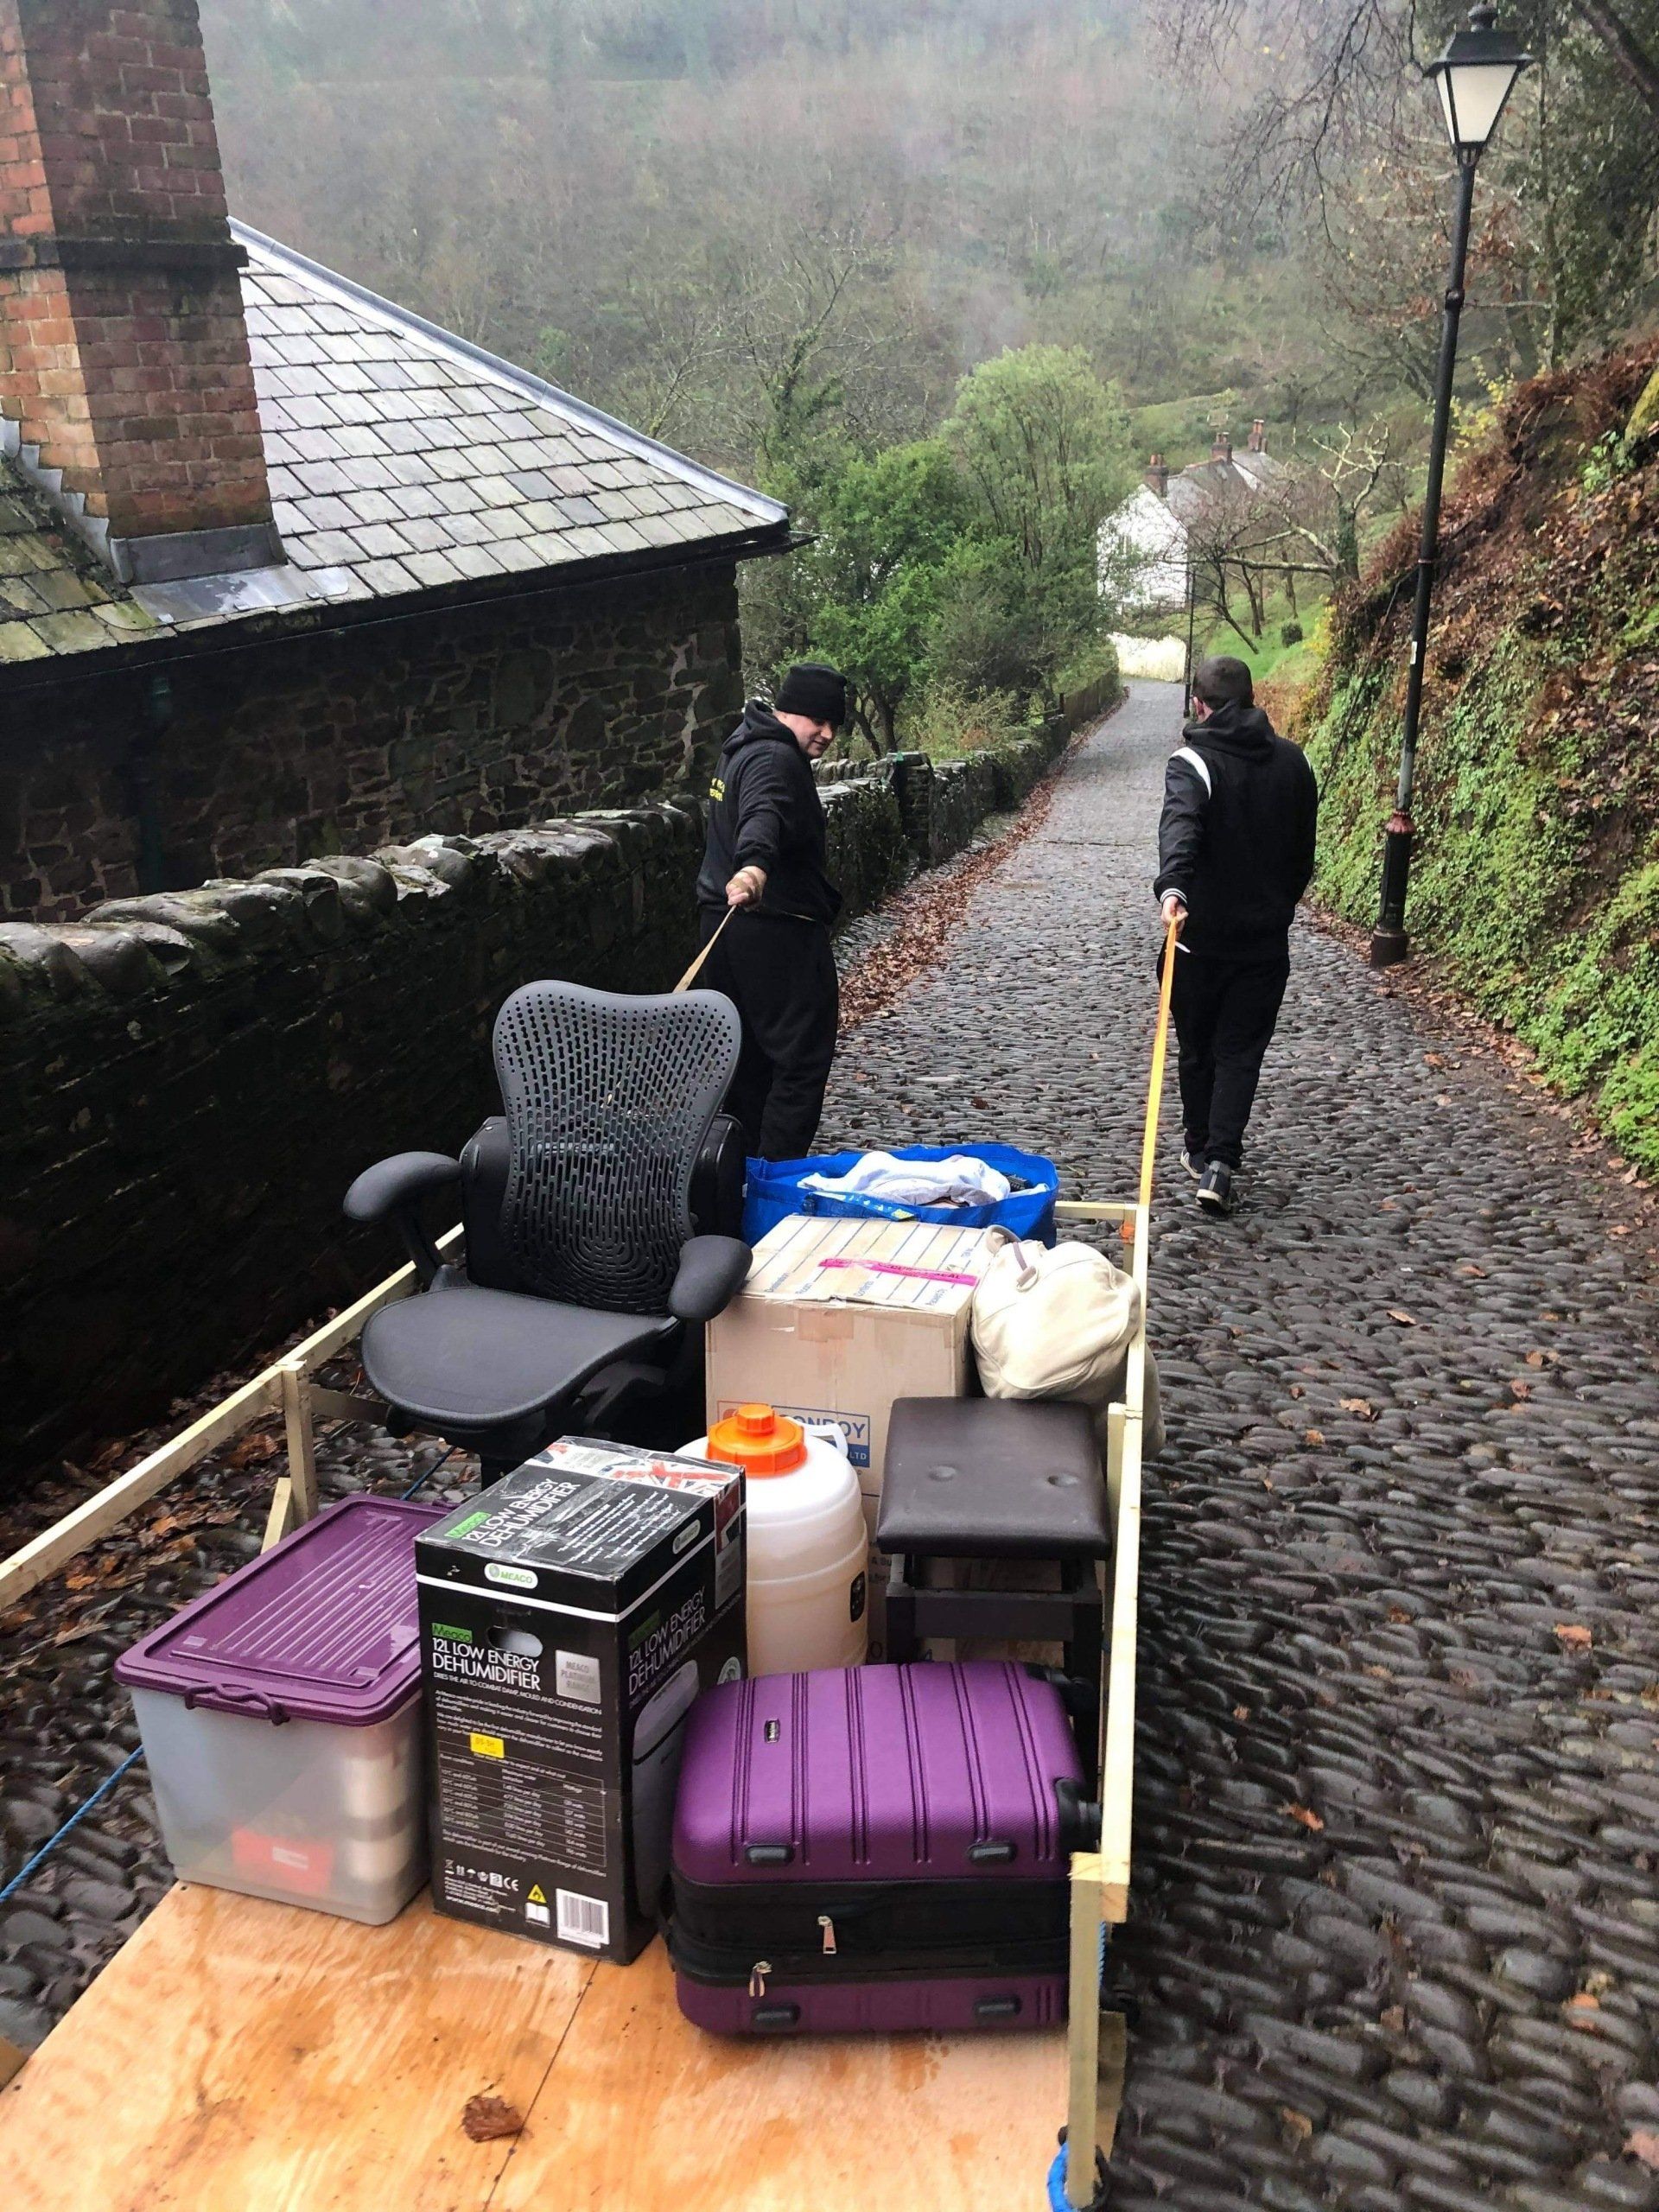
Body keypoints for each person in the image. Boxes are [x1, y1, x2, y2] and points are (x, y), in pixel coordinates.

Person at [1153, 654, 1318, 1217]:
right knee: (1240, 1052)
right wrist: (1277, 907)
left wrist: (1174, 890)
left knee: (1199, 1049)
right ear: (1249, 700)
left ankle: (1203, 1150)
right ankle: (1220, 1163)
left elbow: (1181, 828)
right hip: (1265, 943)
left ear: (1199, 704)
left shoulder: (1191, 763)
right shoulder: (1295, 764)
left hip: (1197, 942)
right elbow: (1303, 858)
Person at [696, 663, 847, 1160]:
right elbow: (766, 814)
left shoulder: (741, 745)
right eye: (817, 720)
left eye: (834, 724)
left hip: (723, 929)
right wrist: (755, 868)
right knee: (800, 1064)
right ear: (788, 710)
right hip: (777, 934)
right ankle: (775, 1185)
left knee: (745, 1064)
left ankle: (734, 1181)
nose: (826, 733)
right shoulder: (776, 759)